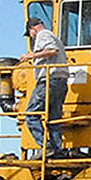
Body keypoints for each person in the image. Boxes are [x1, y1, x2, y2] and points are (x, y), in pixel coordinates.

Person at [20, 17, 69, 157]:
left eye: (30, 34)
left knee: (31, 114)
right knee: (54, 118)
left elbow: (52, 50)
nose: (32, 37)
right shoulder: (54, 37)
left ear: (32, 29)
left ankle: (46, 146)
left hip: (49, 80)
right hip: (60, 81)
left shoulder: (43, 34)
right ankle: (57, 151)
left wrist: (31, 56)